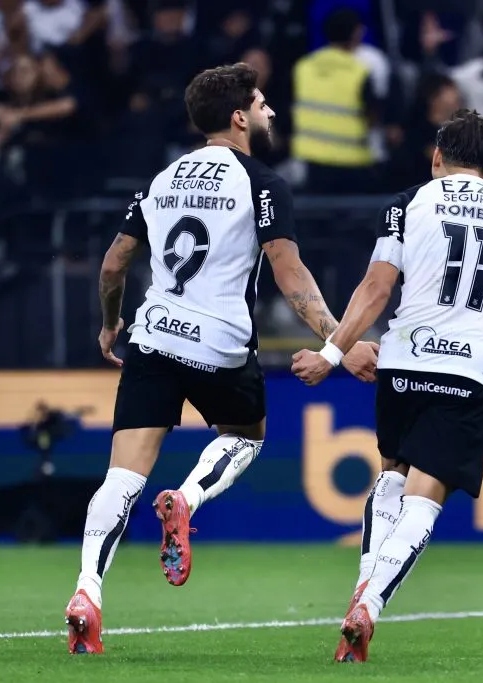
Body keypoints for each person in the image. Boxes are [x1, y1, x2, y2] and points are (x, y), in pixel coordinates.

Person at [63, 62, 380, 655]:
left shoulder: (160, 180)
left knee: (121, 479)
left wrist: (111, 324)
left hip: (153, 338)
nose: (270, 113)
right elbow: (288, 271)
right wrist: (341, 340)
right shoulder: (262, 183)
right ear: (239, 118)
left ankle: (86, 592)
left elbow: (113, 263)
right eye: (262, 104)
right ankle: (187, 498)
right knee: (247, 435)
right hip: (219, 346)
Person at [291, 109, 483, 663]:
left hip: (403, 362)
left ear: (436, 158)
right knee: (426, 495)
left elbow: (377, 287)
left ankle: (362, 587)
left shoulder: (409, 202)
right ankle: (370, 605)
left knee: (393, 476)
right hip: (470, 370)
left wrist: (333, 353)